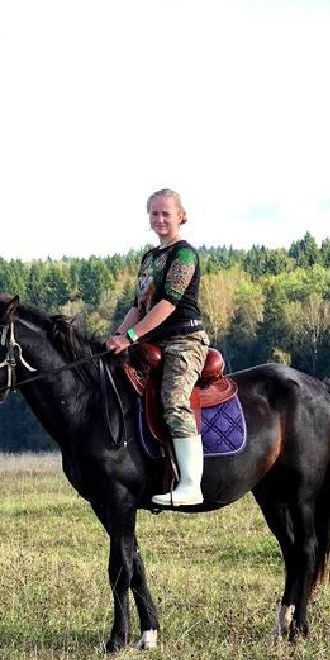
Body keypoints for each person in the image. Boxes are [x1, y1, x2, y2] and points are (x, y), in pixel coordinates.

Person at [105, 188, 209, 506]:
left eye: (166, 213)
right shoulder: (149, 258)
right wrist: (116, 338)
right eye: (154, 213)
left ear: (180, 216)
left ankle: (190, 485)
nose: (160, 219)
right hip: (151, 341)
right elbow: (138, 306)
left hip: (184, 341)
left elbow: (167, 305)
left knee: (175, 401)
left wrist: (130, 337)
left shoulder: (185, 255)